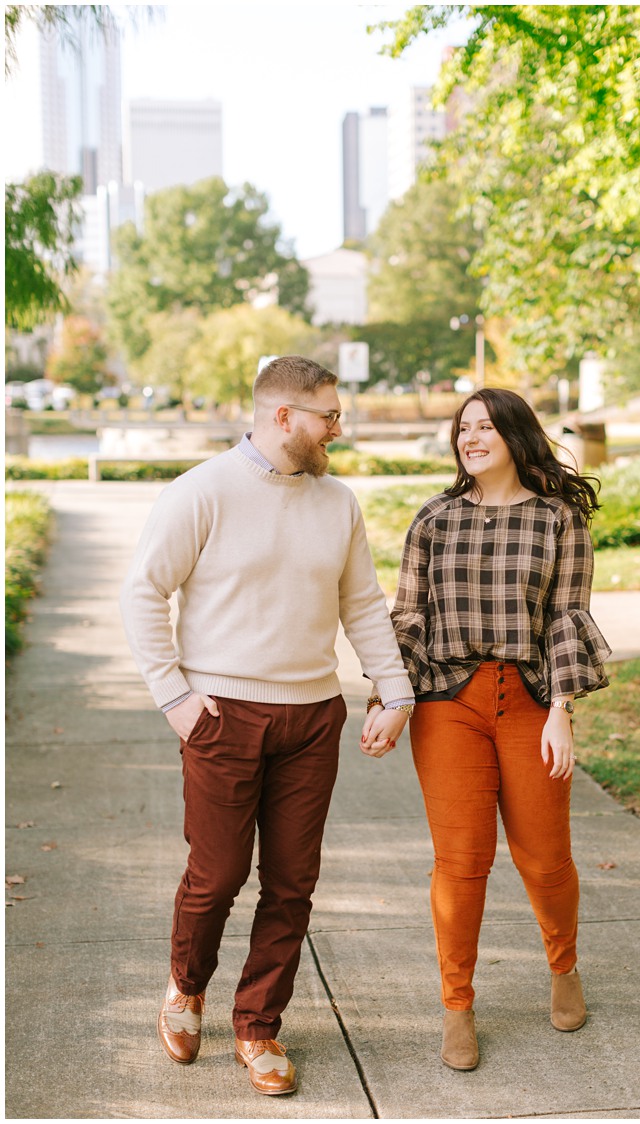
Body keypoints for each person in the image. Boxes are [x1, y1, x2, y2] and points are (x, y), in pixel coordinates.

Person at [120, 356, 416, 1096]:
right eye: (329, 416)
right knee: (216, 876)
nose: (338, 430)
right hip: (221, 716)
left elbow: (363, 607)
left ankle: (258, 1026)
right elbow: (142, 594)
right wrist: (177, 699)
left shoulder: (338, 503)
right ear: (283, 417)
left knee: (291, 883)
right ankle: (186, 986)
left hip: (313, 717)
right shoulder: (202, 492)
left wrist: (395, 691)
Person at [387, 387, 612, 1071]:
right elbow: (408, 618)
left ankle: (564, 966)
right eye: (463, 428)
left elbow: (567, 620)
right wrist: (389, 699)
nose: (472, 437)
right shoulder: (433, 520)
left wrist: (562, 714)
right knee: (461, 861)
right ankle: (457, 1006)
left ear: (516, 435)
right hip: (447, 703)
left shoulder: (558, 520)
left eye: (486, 426)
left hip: (530, 699)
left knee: (544, 859)